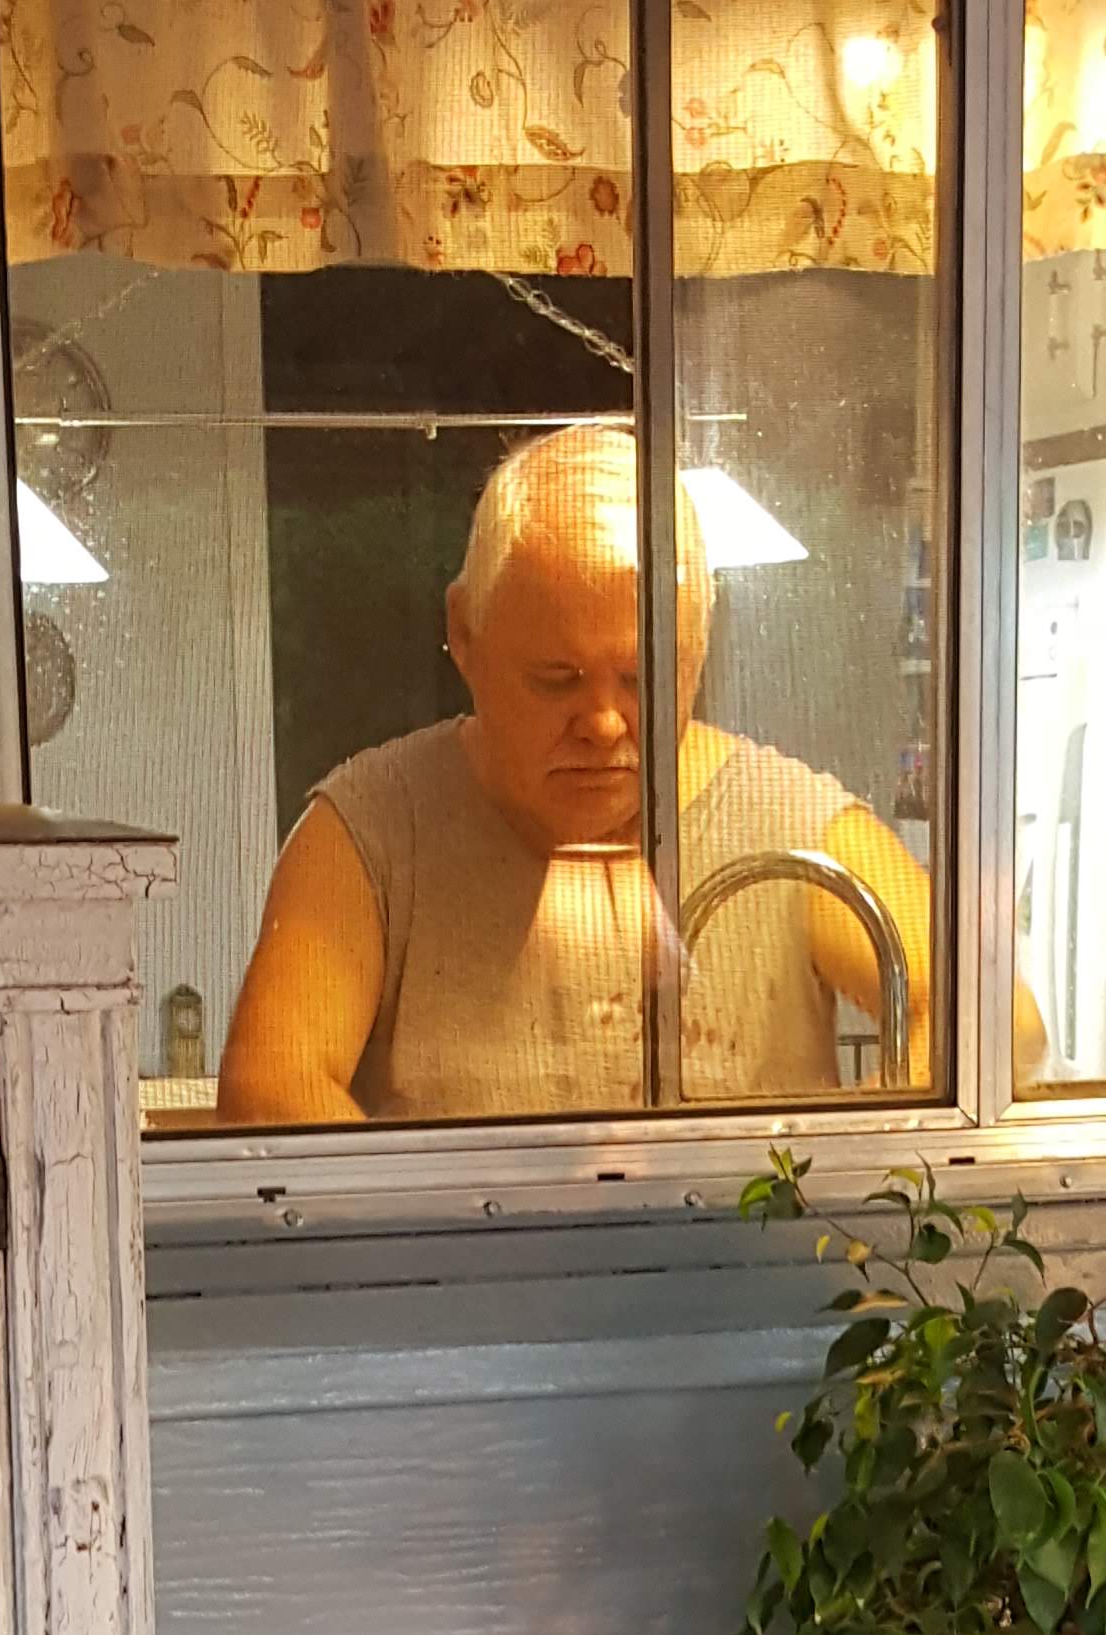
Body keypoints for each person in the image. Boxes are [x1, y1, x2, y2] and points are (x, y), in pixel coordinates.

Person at [216, 420, 942, 1124]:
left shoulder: (789, 823)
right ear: (464, 634)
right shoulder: (372, 831)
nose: (603, 723)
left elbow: (976, 1011)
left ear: (699, 649)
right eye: (556, 680)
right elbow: (269, 1088)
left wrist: (853, 1165)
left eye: (641, 678)